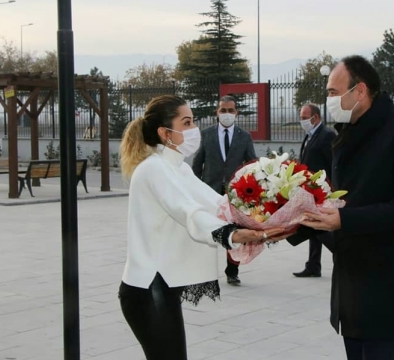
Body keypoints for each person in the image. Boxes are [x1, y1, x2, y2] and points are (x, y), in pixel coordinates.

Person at [118, 95, 286, 360]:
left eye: (193, 121)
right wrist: (230, 234)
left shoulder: (179, 170)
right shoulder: (153, 169)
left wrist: (270, 218)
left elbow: (217, 204)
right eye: (186, 123)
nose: (194, 129)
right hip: (147, 287)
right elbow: (188, 212)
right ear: (165, 133)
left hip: (162, 286)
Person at [291, 55, 394, 360]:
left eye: (333, 92)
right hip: (352, 285)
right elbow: (340, 202)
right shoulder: (346, 133)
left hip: (389, 285)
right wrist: (287, 224)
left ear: (360, 91)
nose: (328, 100)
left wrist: (344, 219)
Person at [192, 95, 257, 285]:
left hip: (234, 194)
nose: (227, 114)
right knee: (207, 230)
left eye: (230, 110)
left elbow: (252, 165)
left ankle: (232, 270)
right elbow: (197, 164)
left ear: (236, 113)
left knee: (235, 232)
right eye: (223, 110)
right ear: (217, 112)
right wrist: (194, 189)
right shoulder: (206, 135)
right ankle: (203, 270)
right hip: (209, 191)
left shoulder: (244, 137)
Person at [292, 103, 336, 278]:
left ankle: (340, 253)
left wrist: (331, 189)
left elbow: (333, 163)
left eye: (304, 118)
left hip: (322, 190)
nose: (302, 121)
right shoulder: (310, 135)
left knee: (318, 228)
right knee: (312, 226)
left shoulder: (327, 136)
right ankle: (313, 265)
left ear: (315, 118)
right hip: (310, 189)